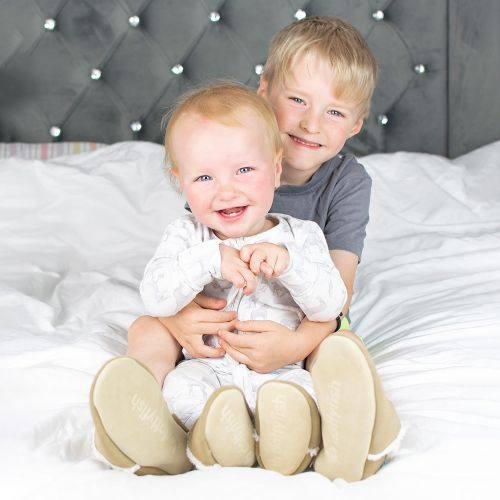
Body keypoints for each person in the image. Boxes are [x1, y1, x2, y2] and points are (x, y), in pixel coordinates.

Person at [90, 16, 403, 482]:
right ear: (264, 91)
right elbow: (191, 253)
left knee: (341, 347)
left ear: (356, 124)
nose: (310, 122)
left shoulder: (345, 184)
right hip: (220, 319)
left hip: (307, 317)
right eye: (297, 99)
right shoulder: (224, 160)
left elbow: (338, 295)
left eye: (334, 112)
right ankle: (146, 418)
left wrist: (294, 344)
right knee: (146, 326)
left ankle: (352, 435)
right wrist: (178, 321)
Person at [91, 82, 347, 476]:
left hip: (277, 372)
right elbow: (156, 298)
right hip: (208, 368)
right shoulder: (187, 236)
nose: (226, 191)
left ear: (276, 169)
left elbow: (330, 304)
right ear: (182, 182)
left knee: (299, 399)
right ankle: (191, 439)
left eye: (244, 170)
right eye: (204, 178)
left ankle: (282, 446)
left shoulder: (301, 236)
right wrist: (210, 259)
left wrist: (291, 266)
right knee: (178, 392)